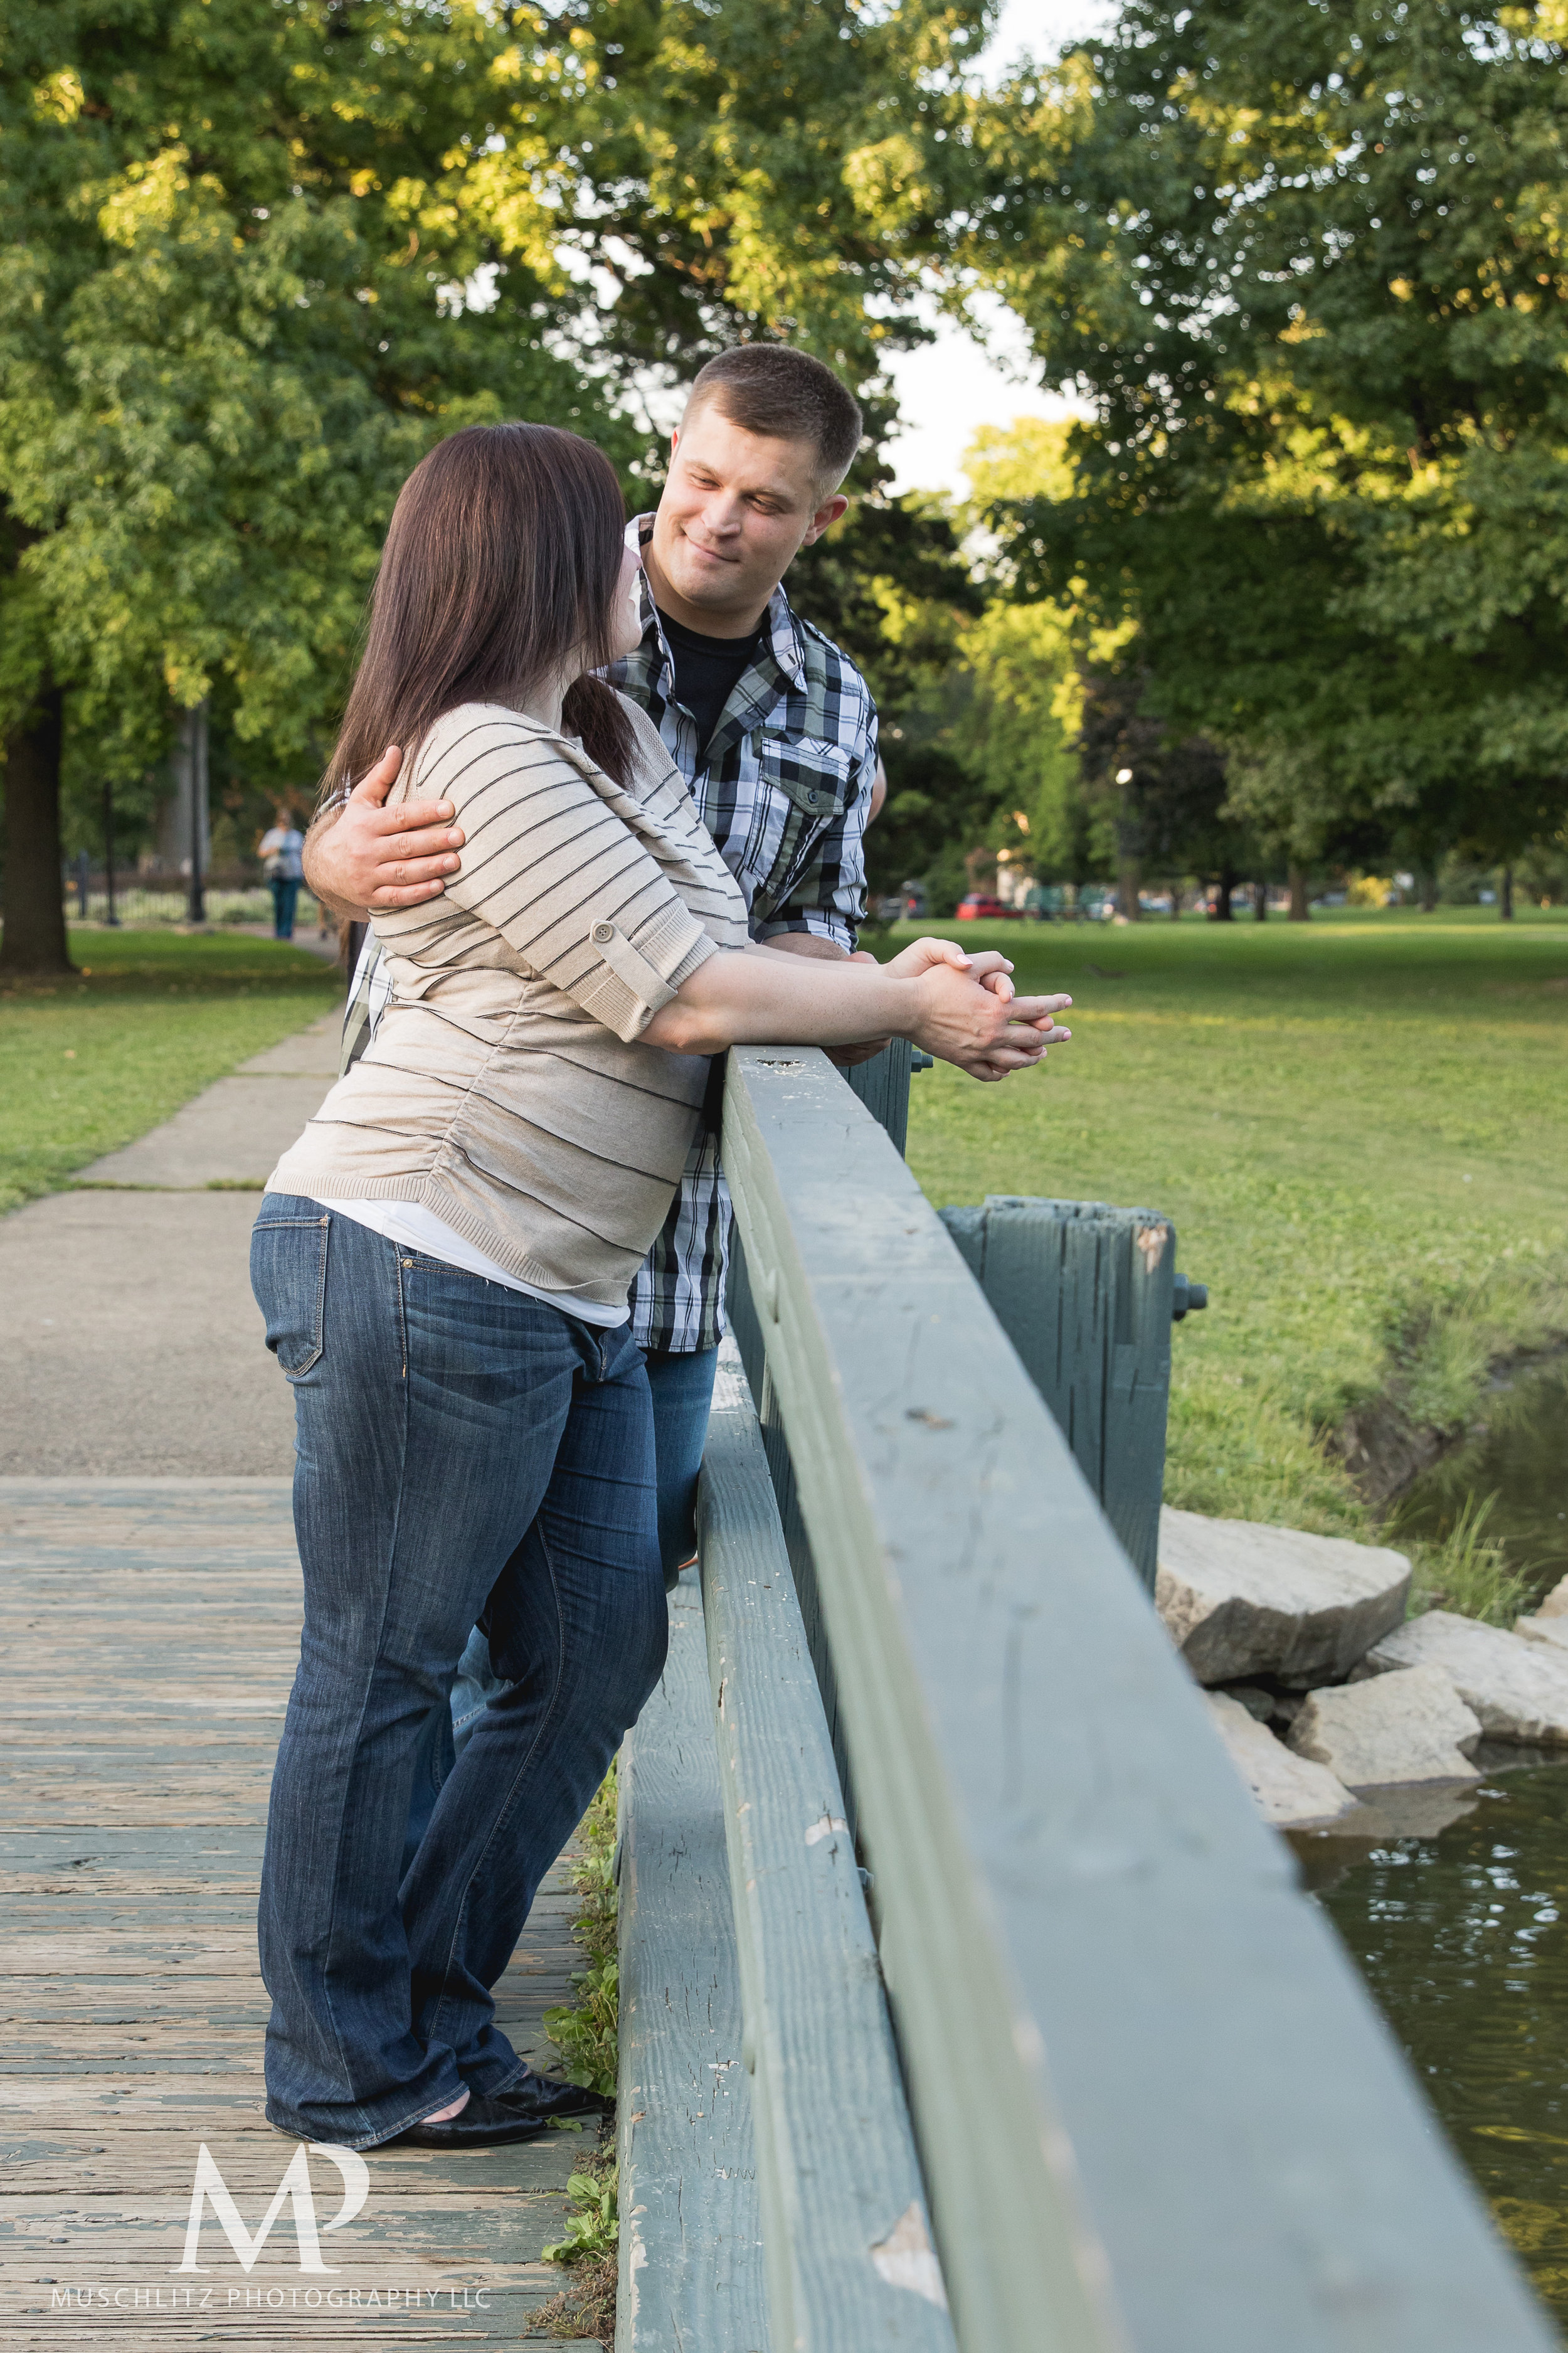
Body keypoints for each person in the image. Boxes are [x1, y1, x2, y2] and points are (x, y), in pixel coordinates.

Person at [252, 418, 1071, 2157]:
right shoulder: (489, 748)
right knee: (386, 1664)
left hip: (560, 1269)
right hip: (425, 1242)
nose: (651, 546)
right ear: (547, 561)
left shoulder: (598, 737)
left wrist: (902, 974)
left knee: (592, 1640)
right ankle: (344, 2063)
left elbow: (753, 946)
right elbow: (679, 992)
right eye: (614, 528)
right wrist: (902, 1013)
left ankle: (434, 2006)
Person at [307, 349, 910, 1605]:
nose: (719, 521)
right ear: (669, 456)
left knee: (598, 1635)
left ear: (822, 517)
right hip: (463, 1210)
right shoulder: (543, 600)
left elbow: (816, 925)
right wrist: (329, 857)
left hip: (667, 1239)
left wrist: (862, 988)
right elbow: (375, 781)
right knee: (429, 1633)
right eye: (702, 478)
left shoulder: (837, 710)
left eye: (766, 501)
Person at [257, 808, 305, 939]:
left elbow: (303, 855)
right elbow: (261, 852)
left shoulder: (296, 836)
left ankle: (287, 933)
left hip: (292, 875)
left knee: (290, 904)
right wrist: (273, 850)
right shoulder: (272, 835)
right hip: (275, 874)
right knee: (279, 904)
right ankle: (278, 932)